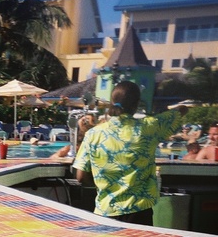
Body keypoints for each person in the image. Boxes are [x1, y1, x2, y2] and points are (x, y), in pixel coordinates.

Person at [73, 81, 187, 226]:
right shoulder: (149, 127)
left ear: (112, 101)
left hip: (105, 212)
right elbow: (182, 110)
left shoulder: (93, 134)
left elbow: (81, 177)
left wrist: (102, 185)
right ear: (136, 104)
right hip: (139, 212)